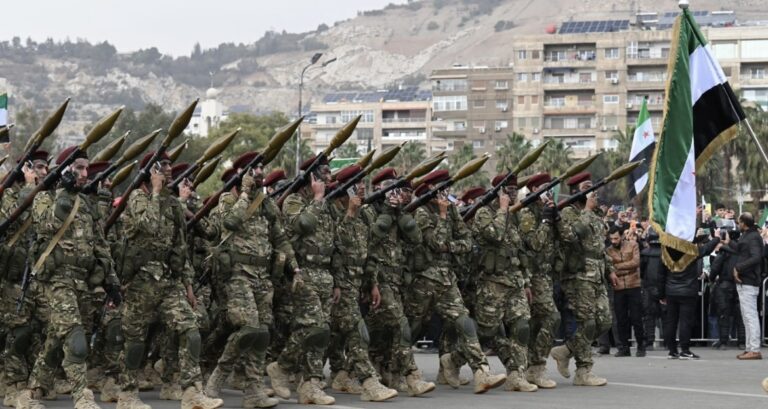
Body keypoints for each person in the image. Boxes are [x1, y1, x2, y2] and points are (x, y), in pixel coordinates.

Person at [115, 151, 223, 409]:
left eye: (169, 165)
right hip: (140, 281)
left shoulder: (174, 205)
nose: (170, 169)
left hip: (168, 281)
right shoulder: (137, 199)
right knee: (135, 341)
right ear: (151, 172)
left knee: (191, 330)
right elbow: (149, 225)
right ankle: (127, 395)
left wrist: (187, 284)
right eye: (163, 166)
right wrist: (154, 191)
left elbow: (180, 248)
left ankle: (191, 392)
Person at [16, 147, 122, 409]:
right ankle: (81, 396)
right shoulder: (44, 198)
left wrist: (111, 280)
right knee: (75, 337)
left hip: (82, 282)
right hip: (56, 281)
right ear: (64, 171)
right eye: (79, 168)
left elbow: (99, 244)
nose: (85, 174)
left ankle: (32, 389)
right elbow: (46, 225)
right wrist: (62, 194)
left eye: (87, 168)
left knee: (56, 339)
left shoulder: (86, 204)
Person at [407, 170, 506, 394]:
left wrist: (449, 245)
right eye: (442, 189)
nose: (447, 194)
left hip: (445, 279)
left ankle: (482, 372)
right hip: (422, 280)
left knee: (464, 322)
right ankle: (396, 369)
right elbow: (435, 242)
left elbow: (467, 241)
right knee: (412, 328)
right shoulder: (422, 212)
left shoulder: (451, 210)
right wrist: (442, 218)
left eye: (447, 188)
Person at [267, 155, 336, 405]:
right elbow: (304, 225)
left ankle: (311, 384)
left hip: (325, 274)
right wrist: (317, 199)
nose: (330, 177)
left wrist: (336, 280)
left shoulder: (327, 205)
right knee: (312, 326)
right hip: (302, 273)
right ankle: (282, 366)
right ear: (313, 178)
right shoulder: (294, 202)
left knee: (322, 332)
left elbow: (332, 243)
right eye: (325, 173)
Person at [473, 173, 537, 392]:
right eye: (508, 189)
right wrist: (502, 209)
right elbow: (495, 235)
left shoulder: (515, 216)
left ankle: (516, 375)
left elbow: (519, 252)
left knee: (521, 327)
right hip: (491, 283)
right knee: (487, 332)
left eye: (514, 189)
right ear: (498, 191)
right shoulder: (483, 213)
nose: (513, 193)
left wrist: (526, 282)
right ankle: (454, 358)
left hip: (514, 283)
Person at [550, 172, 614, 386]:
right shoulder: (568, 212)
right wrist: (587, 210)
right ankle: (584, 371)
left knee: (604, 320)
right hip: (578, 275)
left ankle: (566, 350)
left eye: (592, 186)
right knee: (585, 322)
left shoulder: (595, 215)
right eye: (587, 187)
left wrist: (610, 269)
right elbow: (570, 235)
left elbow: (600, 246)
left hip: (597, 274)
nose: (592, 191)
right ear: (576, 191)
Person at [518, 173, 559, 389]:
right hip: (530, 276)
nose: (549, 193)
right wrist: (545, 219)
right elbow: (534, 244)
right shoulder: (526, 214)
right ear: (534, 190)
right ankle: (534, 366)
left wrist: (555, 216)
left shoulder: (550, 212)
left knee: (537, 324)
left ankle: (531, 367)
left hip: (546, 275)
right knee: (551, 318)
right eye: (544, 188)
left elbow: (565, 239)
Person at [658, 229, 720, 360]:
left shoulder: (666, 251)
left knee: (671, 321)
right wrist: (717, 238)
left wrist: (661, 294)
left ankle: (672, 350)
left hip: (671, 290)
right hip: (687, 290)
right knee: (685, 321)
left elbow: (661, 274)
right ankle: (684, 349)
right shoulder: (690, 250)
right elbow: (706, 249)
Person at [606, 226, 645, 357]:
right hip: (618, 288)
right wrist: (626, 269)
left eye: (616, 238)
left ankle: (641, 346)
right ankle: (624, 348)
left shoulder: (633, 245)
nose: (613, 241)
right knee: (621, 319)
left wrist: (618, 267)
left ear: (622, 236)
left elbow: (636, 262)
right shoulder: (609, 250)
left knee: (636, 318)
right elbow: (609, 268)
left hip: (634, 285)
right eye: (611, 238)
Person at [732, 213, 764, 360]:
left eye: (739, 222)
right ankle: (749, 347)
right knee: (746, 317)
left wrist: (739, 267)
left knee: (750, 316)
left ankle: (755, 349)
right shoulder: (747, 236)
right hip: (744, 281)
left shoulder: (753, 237)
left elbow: (756, 257)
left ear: (744, 223)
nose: (738, 224)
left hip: (749, 280)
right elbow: (741, 251)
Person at [709, 230, 745, 350]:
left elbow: (715, 267)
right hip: (740, 284)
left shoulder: (724, 252)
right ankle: (742, 342)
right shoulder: (743, 251)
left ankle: (723, 341)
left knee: (724, 314)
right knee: (741, 314)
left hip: (724, 285)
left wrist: (712, 278)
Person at [640, 228, 664, 350]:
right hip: (662, 287)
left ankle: (649, 340)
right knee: (665, 315)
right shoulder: (665, 254)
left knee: (649, 315)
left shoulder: (645, 253)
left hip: (649, 287)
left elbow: (641, 270)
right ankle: (667, 341)